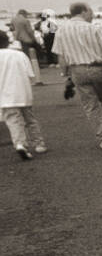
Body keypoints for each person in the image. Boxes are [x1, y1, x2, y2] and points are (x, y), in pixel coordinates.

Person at [52, 2, 102, 151]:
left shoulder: (61, 31)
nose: (92, 14)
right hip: (98, 68)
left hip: (77, 70)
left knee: (91, 106)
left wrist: (66, 74)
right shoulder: (94, 28)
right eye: (90, 11)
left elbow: (61, 57)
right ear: (83, 12)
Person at [0, 29, 48, 159]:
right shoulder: (19, 55)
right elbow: (30, 74)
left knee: (13, 121)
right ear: (7, 41)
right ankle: (39, 144)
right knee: (30, 120)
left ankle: (20, 144)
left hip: (5, 97)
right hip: (23, 93)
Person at [11, 10, 43, 84]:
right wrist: (34, 39)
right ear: (23, 13)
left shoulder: (13, 19)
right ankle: (34, 67)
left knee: (24, 53)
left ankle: (26, 68)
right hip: (27, 39)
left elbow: (12, 29)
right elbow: (29, 31)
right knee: (33, 52)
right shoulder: (25, 20)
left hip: (19, 39)